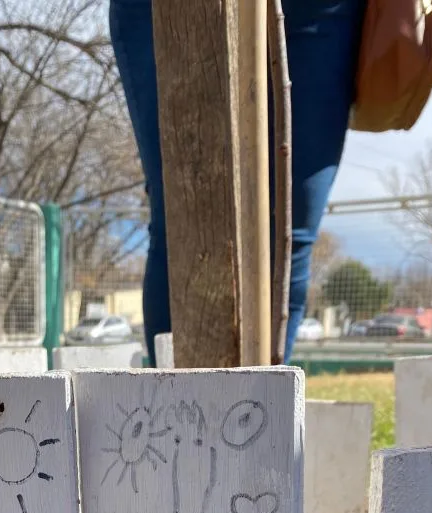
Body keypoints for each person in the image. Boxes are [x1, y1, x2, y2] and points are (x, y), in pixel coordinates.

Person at [110, 0, 367, 363]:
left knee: (289, 229)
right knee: (180, 216)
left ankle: (267, 394)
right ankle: (172, 395)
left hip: (320, 11)